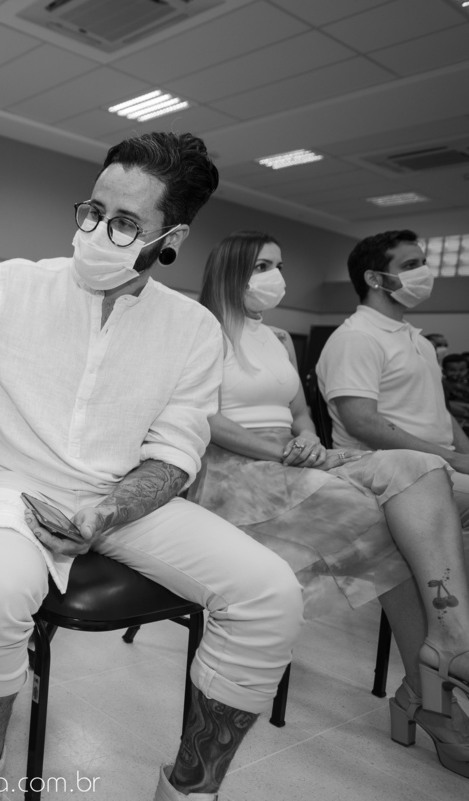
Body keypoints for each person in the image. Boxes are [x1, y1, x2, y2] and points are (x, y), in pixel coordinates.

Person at [0, 131, 304, 801]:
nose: (97, 231)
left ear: (171, 236)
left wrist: (109, 510)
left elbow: (177, 452)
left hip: (125, 497)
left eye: (125, 223)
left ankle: (190, 786)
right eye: (92, 211)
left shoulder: (192, 330)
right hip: (10, 487)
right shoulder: (15, 285)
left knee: (271, 593)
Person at [194, 230, 469, 778]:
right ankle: (433, 693)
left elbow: (299, 411)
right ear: (232, 273)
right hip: (233, 473)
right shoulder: (198, 331)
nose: (276, 276)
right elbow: (205, 419)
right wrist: (283, 450)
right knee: (388, 522)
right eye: (263, 266)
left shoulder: (277, 337)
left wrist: (308, 441)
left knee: (422, 467)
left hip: (294, 459)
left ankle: (450, 636)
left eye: (278, 263)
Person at [317, 229, 469, 730]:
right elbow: (363, 423)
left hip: (436, 466)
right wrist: (451, 458)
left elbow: (441, 415)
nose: (424, 272)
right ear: (374, 277)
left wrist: (462, 452)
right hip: (381, 475)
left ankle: (421, 686)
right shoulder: (356, 338)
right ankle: (445, 662)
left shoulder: (418, 340)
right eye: (412, 263)